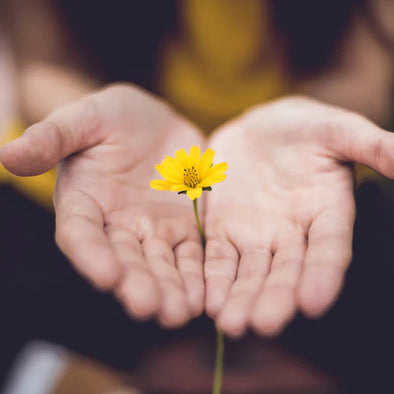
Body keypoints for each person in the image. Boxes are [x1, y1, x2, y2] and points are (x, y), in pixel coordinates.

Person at [0, 0, 393, 340]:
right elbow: (44, 62)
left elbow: (363, 76)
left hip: (301, 182)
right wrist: (82, 120)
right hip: (110, 179)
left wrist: (312, 121)